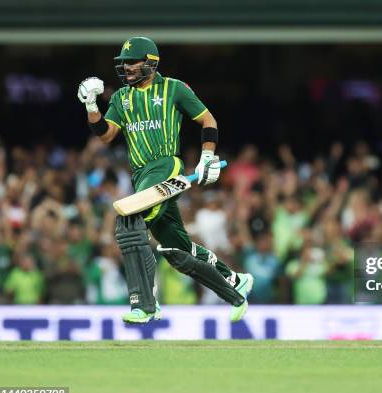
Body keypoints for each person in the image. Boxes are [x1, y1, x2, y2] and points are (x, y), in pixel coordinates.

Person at [77, 36, 253, 324]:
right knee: (178, 251)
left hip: (166, 166)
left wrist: (207, 156)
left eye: (132, 63)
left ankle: (145, 304)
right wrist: (91, 106)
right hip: (141, 176)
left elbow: (208, 121)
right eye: (124, 64)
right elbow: (106, 135)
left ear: (150, 63)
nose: (127, 68)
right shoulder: (122, 97)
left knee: (128, 222)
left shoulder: (174, 88)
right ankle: (235, 285)